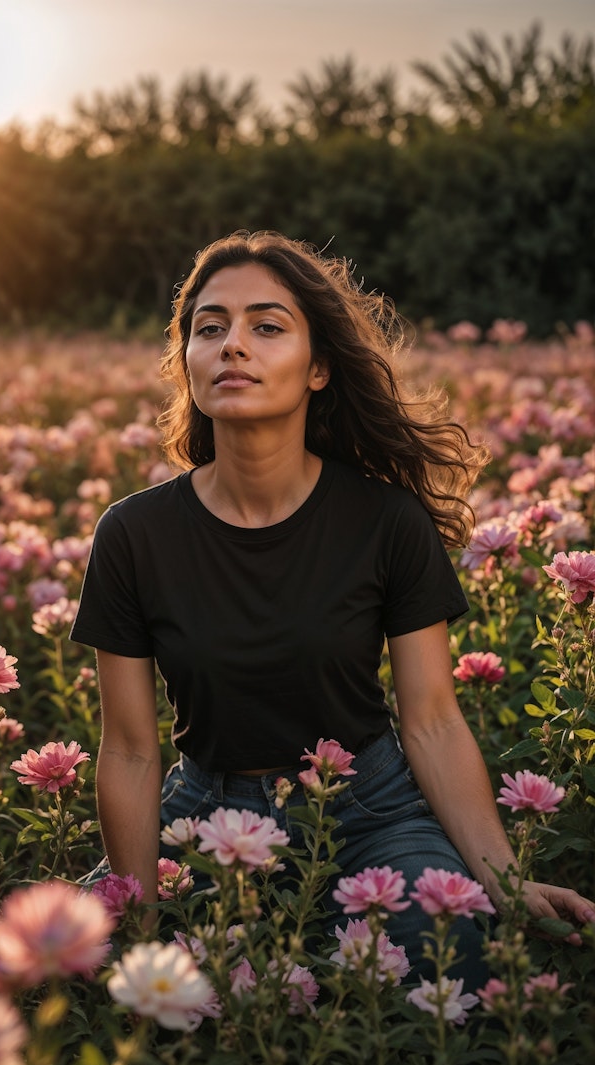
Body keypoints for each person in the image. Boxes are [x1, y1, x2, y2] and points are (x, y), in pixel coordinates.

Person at [70, 230, 594, 987]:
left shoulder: (387, 521)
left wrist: (506, 880)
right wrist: (141, 914)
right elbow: (127, 748)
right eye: (209, 328)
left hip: (370, 807)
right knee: (80, 975)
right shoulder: (133, 532)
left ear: (319, 368)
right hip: (206, 804)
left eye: (267, 325)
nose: (232, 346)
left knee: (455, 956)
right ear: (187, 362)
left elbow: (434, 720)